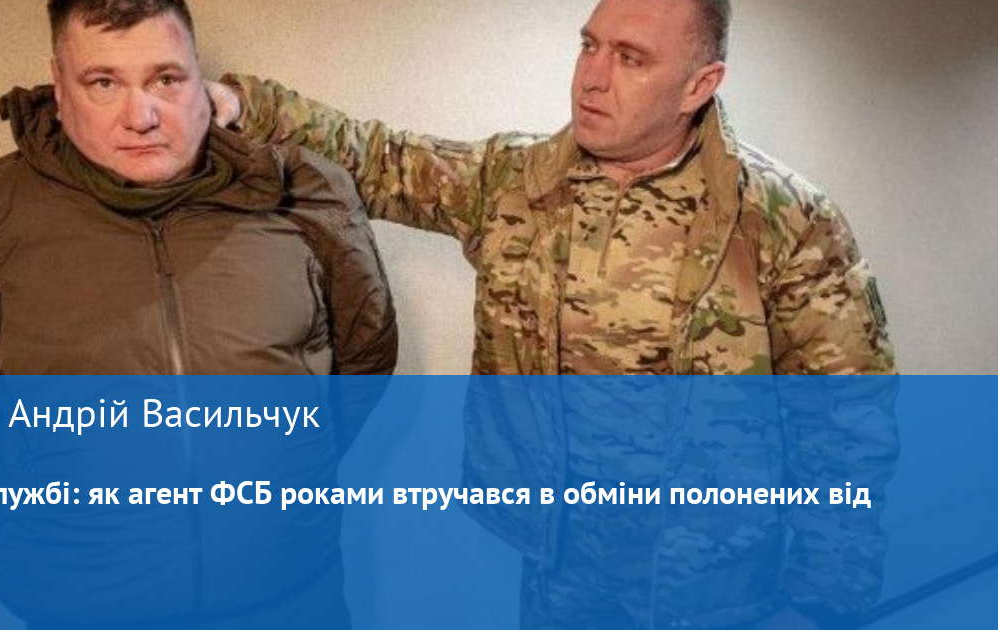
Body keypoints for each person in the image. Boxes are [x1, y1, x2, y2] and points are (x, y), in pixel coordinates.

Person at [213, 0, 897, 628]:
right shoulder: (517, 181)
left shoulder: (785, 219)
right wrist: (245, 106)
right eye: (589, 45)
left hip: (718, 584)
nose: (592, 78)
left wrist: (821, 606)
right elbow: (380, 160)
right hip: (560, 573)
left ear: (699, 85)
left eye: (630, 58)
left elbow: (846, 427)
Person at [0, 0, 397, 628]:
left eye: (165, 78)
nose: (142, 116)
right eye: (104, 82)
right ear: (59, 86)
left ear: (199, 80)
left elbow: (364, 360)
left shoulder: (305, 195)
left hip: (294, 601)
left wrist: (286, 474)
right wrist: (41, 520)